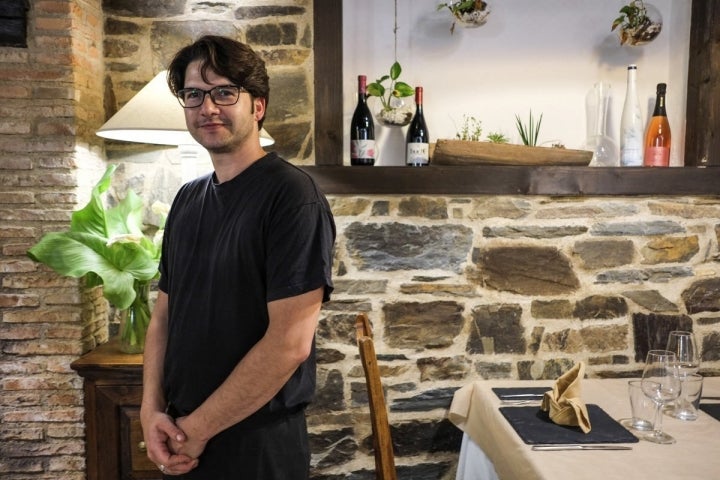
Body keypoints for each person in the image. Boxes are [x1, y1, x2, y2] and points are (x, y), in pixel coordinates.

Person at [139, 35, 336, 479]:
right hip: (184, 432)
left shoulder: (291, 196)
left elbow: (289, 344)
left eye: (225, 92)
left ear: (258, 106)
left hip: (256, 444)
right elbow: (163, 317)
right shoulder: (188, 199)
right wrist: (150, 412)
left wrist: (194, 431)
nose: (208, 107)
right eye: (194, 94)